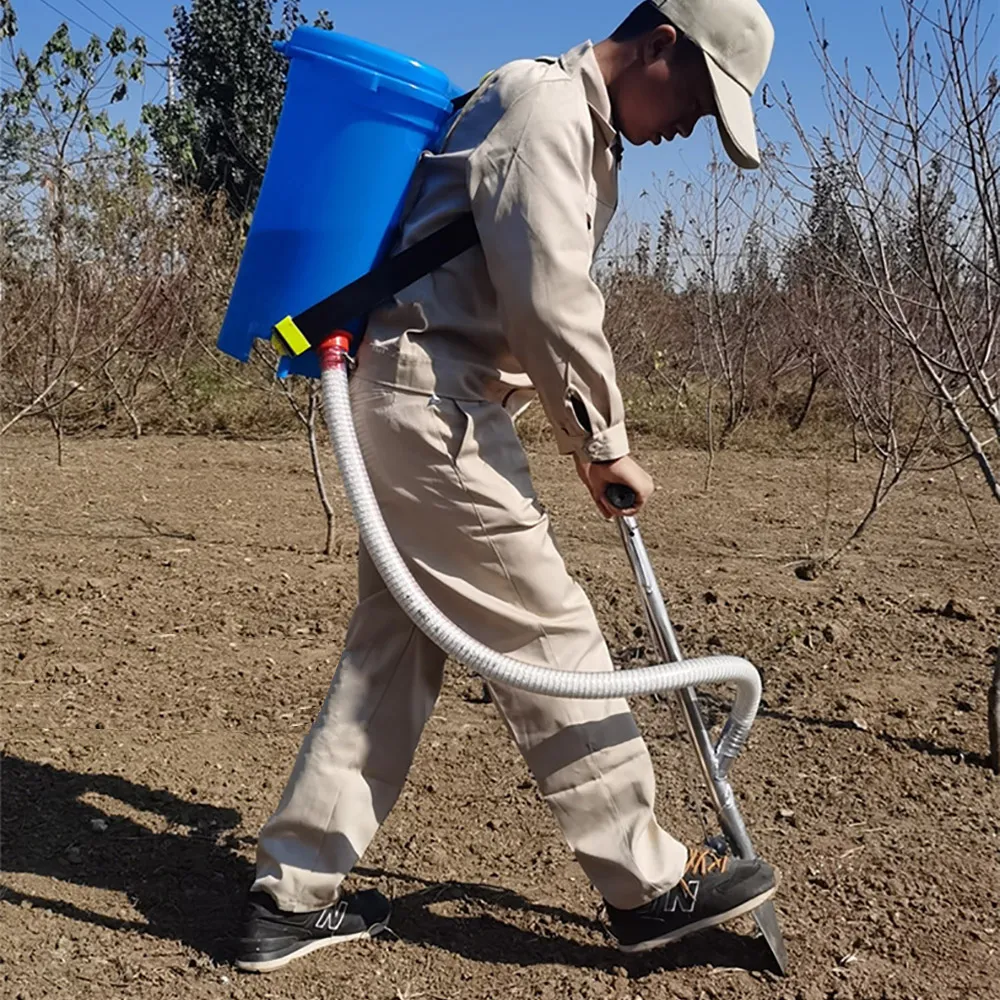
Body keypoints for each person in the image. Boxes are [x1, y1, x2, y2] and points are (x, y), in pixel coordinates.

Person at [236, 0, 776, 973]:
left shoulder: (574, 124)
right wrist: (600, 439)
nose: (696, 125)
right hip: (428, 404)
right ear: (660, 45)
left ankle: (291, 891)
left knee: (390, 655)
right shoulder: (542, 108)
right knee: (549, 630)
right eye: (700, 97)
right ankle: (646, 879)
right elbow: (546, 292)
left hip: (423, 397)